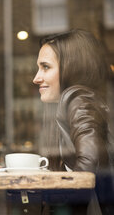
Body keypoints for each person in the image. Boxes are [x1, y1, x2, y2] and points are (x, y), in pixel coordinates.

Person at [33, 29, 114, 214]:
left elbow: (86, 170)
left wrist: (45, 193)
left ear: (71, 67)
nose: (36, 78)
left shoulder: (78, 100)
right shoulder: (77, 101)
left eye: (45, 67)